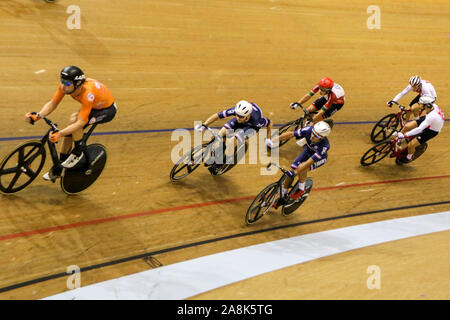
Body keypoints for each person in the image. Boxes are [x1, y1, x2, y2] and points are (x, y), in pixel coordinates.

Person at [25, 66, 117, 181]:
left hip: (106, 111)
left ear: (77, 84)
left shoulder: (88, 94)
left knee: (74, 120)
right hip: (93, 106)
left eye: (67, 83)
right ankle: (59, 167)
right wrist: (39, 115)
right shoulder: (66, 86)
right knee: (69, 131)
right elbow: (53, 103)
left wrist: (60, 134)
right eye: (62, 81)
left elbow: (80, 123)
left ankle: (78, 152)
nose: (63, 85)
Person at [195, 100, 273, 174]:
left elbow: (270, 123)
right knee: (220, 134)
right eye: (237, 115)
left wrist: (268, 138)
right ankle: (216, 154)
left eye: (241, 116)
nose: (238, 117)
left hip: (251, 128)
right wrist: (204, 125)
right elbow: (218, 116)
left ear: (247, 115)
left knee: (233, 140)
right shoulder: (236, 111)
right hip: (241, 122)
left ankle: (221, 163)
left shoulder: (257, 120)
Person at [273, 121, 331, 208]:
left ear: (322, 137)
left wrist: (295, 172)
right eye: (313, 133)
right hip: (308, 151)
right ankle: (283, 195)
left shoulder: (324, 146)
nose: (312, 136)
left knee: (302, 169)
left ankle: (301, 189)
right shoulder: (309, 130)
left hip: (318, 159)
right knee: (290, 172)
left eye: (316, 136)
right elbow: (291, 134)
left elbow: (309, 162)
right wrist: (274, 139)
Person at [395, 95, 444, 163]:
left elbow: (419, 129)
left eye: (421, 104)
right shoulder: (433, 106)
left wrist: (405, 134)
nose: (419, 105)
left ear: (426, 106)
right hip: (430, 121)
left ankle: (409, 157)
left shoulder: (431, 116)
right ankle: (399, 139)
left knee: (411, 145)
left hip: (432, 131)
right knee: (406, 127)